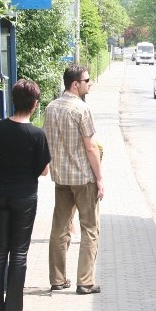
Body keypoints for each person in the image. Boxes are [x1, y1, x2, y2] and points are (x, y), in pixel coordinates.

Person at [0, 79, 51, 311]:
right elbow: (43, 171)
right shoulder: (37, 134)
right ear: (33, 105)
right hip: (25, 197)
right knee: (19, 253)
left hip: (0, 195)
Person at [44, 64, 105, 295]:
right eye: (87, 80)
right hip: (83, 178)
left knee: (59, 228)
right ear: (75, 84)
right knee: (90, 228)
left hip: (61, 178)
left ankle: (57, 279)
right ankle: (85, 281)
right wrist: (99, 178)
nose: (89, 84)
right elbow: (91, 148)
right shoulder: (82, 110)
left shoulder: (51, 108)